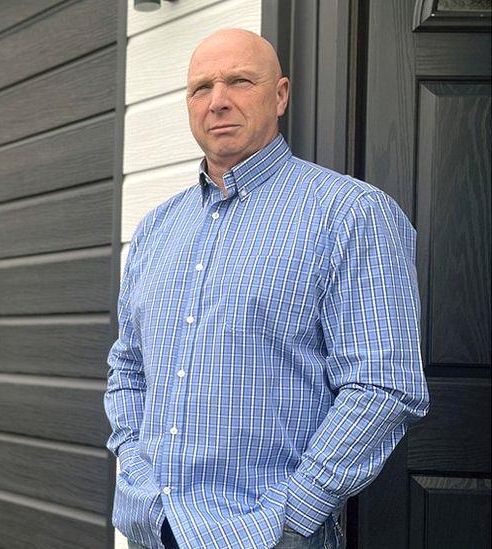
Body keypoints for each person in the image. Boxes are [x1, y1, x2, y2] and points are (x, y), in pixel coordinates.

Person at [104, 28, 430, 549]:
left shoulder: (350, 215)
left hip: (264, 535)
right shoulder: (157, 229)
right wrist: (134, 462)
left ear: (280, 95)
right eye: (201, 88)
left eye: (239, 81)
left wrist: (290, 519)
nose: (218, 102)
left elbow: (384, 385)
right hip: (152, 528)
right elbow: (128, 365)